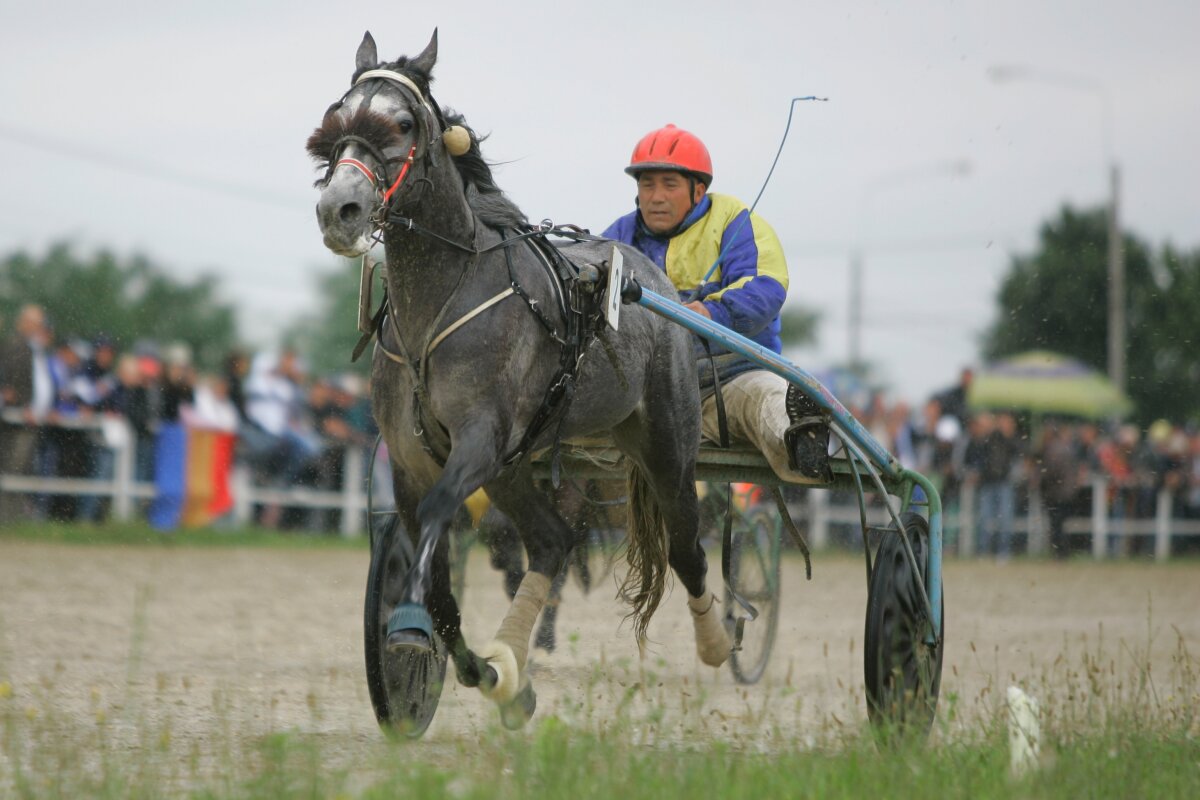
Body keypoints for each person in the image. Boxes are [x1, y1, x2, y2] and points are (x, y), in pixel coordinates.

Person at [602, 123, 830, 485]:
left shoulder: (736, 223)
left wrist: (711, 313)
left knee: (768, 396)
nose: (656, 196)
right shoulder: (617, 236)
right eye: (647, 184)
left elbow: (767, 287)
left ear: (698, 190)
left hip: (726, 383)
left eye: (669, 184)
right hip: (645, 397)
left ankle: (802, 438)